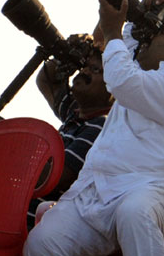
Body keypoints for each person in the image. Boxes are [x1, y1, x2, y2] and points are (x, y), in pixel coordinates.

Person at [22, 0, 164, 256]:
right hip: (99, 193)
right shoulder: (144, 68)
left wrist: (112, 31)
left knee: (134, 212)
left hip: (159, 192)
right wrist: (131, 6)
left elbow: (120, 79)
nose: (145, 41)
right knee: (42, 244)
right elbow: (126, 46)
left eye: (158, 34)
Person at [28, 38, 113, 224]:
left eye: (95, 70)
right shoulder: (76, 114)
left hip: (36, 225)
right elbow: (45, 79)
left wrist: (17, 156)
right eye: (85, 66)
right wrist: (65, 53)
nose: (84, 72)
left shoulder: (101, 127)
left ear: (113, 91)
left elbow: (55, 177)